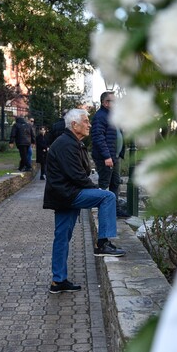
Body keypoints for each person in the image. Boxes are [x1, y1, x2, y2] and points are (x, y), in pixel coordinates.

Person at [43, 108, 126, 293]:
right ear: (74, 125)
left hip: (64, 195)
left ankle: (58, 281)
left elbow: (78, 174)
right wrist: (95, 189)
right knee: (108, 196)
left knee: (62, 237)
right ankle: (102, 243)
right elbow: (77, 176)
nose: (89, 124)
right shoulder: (66, 143)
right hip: (68, 195)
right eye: (86, 121)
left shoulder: (71, 142)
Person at [91, 92, 130, 218]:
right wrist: (107, 156)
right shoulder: (100, 116)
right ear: (105, 103)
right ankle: (102, 211)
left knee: (115, 183)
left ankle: (115, 210)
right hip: (106, 158)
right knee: (104, 184)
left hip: (115, 156)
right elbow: (98, 137)